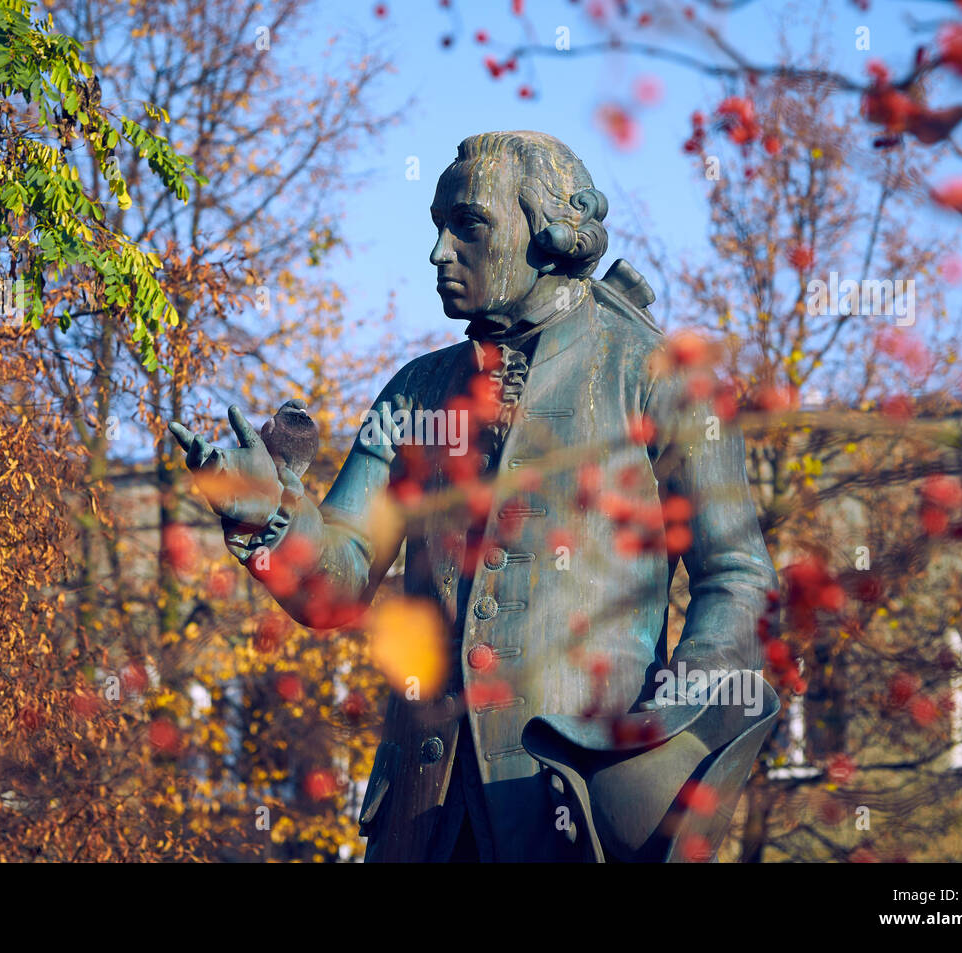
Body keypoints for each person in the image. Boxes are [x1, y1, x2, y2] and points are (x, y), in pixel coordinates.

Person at [169, 131, 779, 862]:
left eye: (468, 224)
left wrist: (667, 735)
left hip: (578, 802)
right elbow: (338, 580)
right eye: (437, 226)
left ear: (550, 231)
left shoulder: (658, 375)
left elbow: (738, 576)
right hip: (422, 818)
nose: (438, 252)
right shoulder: (416, 388)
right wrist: (269, 515)